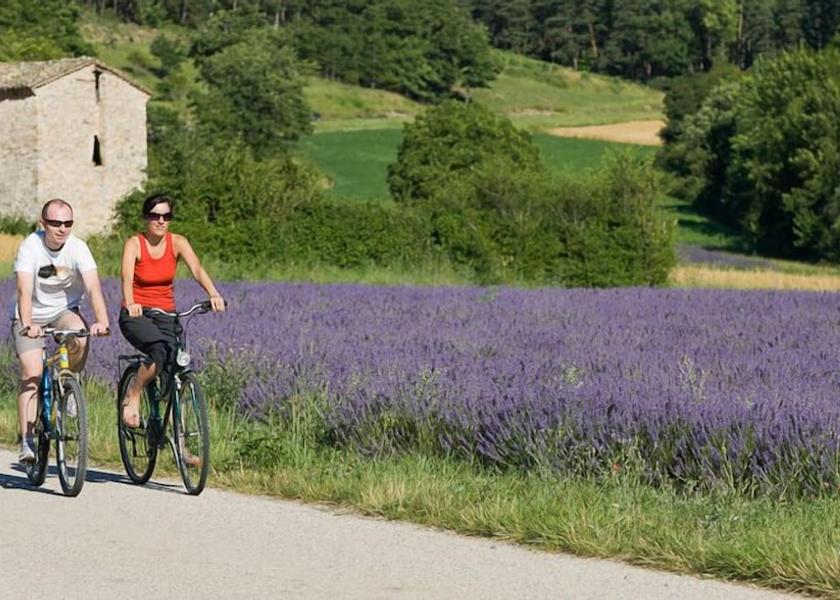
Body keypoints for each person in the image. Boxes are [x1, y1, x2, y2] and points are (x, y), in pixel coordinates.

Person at [12, 198, 110, 463]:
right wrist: (29, 324)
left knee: (80, 334)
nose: (62, 228)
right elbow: (24, 290)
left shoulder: (78, 248)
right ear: (43, 224)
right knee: (32, 373)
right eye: (55, 223)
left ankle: (69, 384)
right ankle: (27, 441)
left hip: (63, 312)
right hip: (30, 314)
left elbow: (93, 287)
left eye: (67, 223)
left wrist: (102, 320)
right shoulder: (30, 247)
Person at [119, 194, 225, 436]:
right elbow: (126, 276)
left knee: (175, 364)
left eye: (166, 216)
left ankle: (180, 444)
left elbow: (197, 269)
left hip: (166, 314)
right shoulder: (134, 244)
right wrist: (131, 302)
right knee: (158, 350)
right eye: (155, 216)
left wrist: (214, 294)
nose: (160, 221)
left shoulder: (177, 242)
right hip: (137, 315)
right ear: (147, 217)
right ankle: (133, 395)